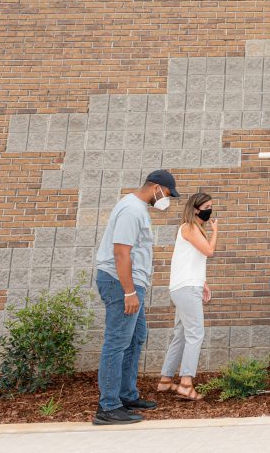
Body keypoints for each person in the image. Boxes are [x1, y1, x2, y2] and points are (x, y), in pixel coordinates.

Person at [92, 169, 180, 425]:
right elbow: (121, 252)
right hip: (121, 284)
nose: (166, 199)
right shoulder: (132, 210)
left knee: (136, 337)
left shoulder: (136, 207)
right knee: (117, 341)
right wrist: (129, 291)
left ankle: (126, 396)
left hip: (130, 284)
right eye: (166, 194)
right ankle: (107, 407)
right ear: (155, 188)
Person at [157, 192, 219, 400]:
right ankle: (185, 382)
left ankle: (165, 381)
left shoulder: (191, 229)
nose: (210, 210)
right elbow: (209, 251)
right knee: (195, 334)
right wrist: (215, 232)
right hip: (186, 289)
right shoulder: (190, 227)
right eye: (207, 206)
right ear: (195, 209)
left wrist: (203, 283)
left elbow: (191, 261)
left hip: (186, 286)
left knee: (182, 334)